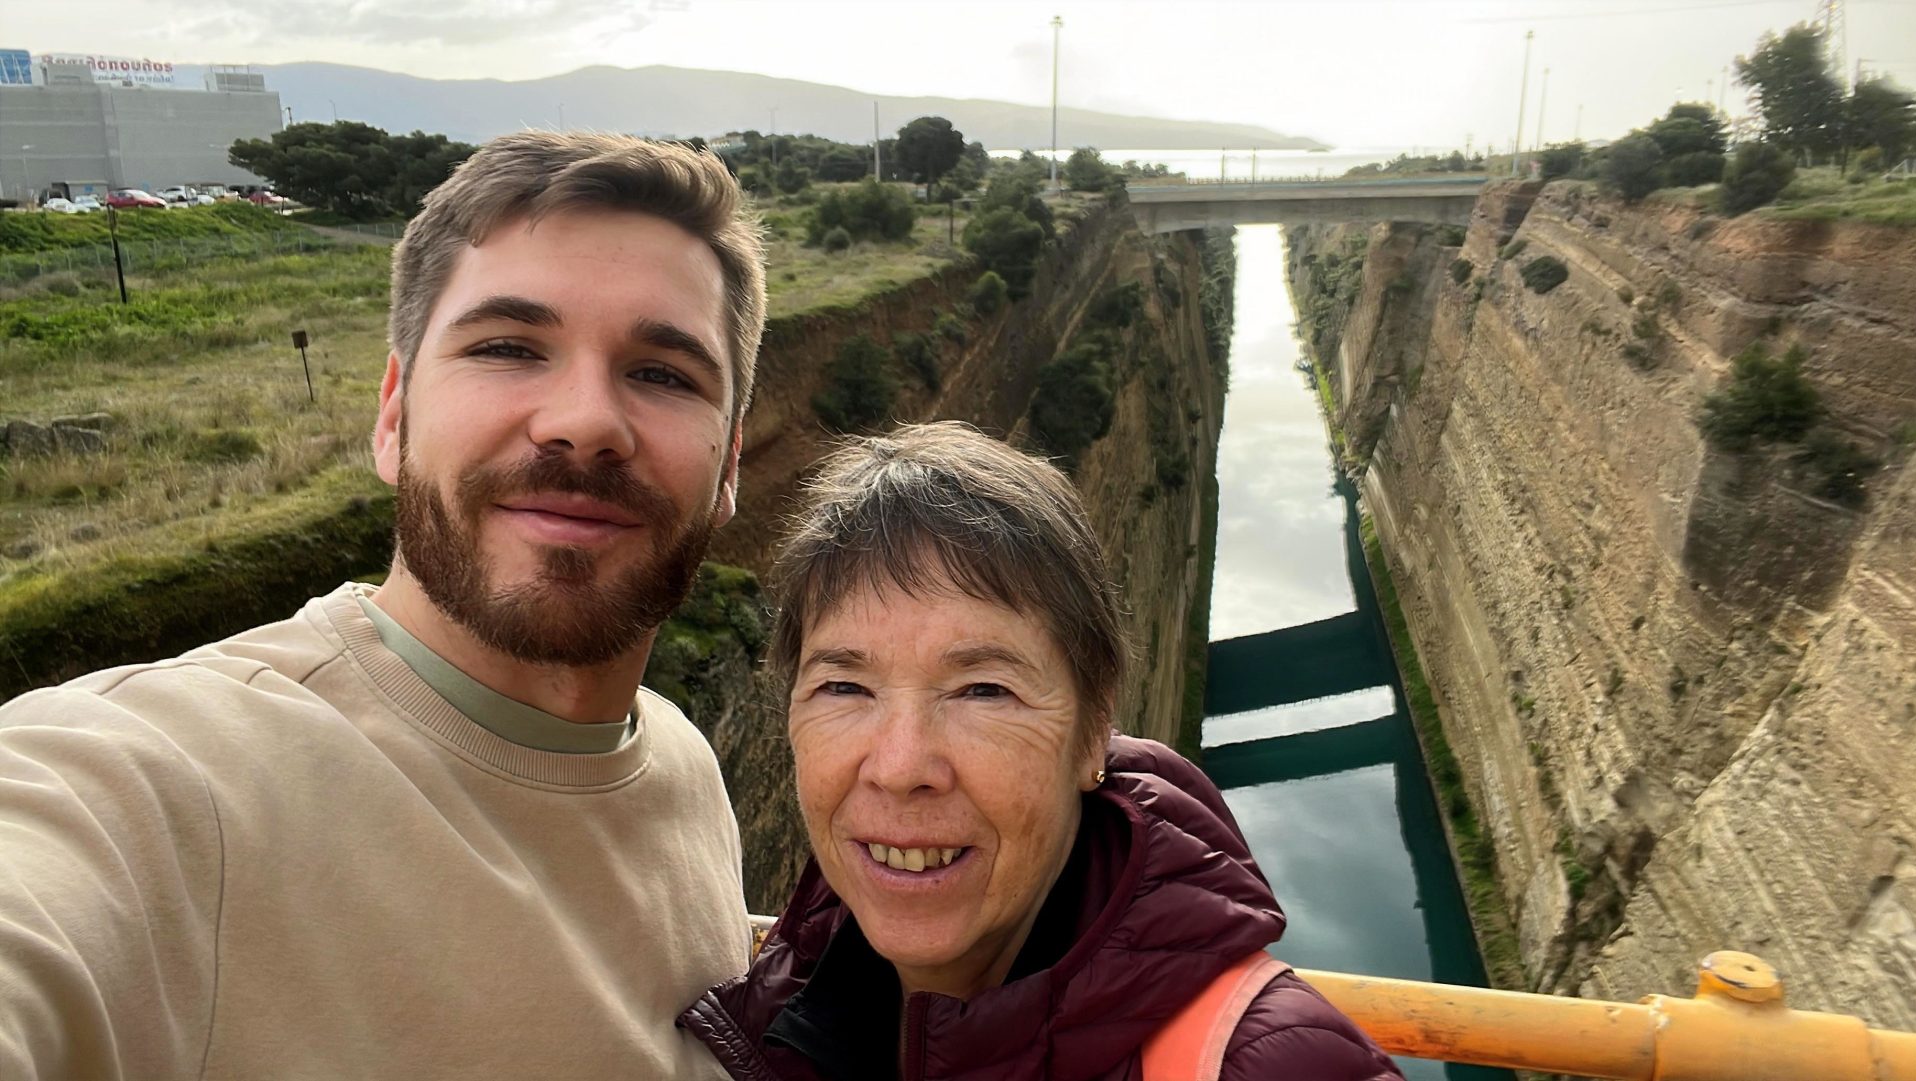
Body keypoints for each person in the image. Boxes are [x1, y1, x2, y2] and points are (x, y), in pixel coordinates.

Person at [0, 132, 767, 1079]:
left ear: (729, 464)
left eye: (661, 373)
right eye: (507, 347)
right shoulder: (166, 787)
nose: (585, 420)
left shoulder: (679, 761)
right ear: (394, 417)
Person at [681, 422, 1401, 1080]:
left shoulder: (1278, 1066)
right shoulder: (766, 1017)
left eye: (983, 690)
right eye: (844, 686)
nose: (899, 767)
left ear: (1093, 733)